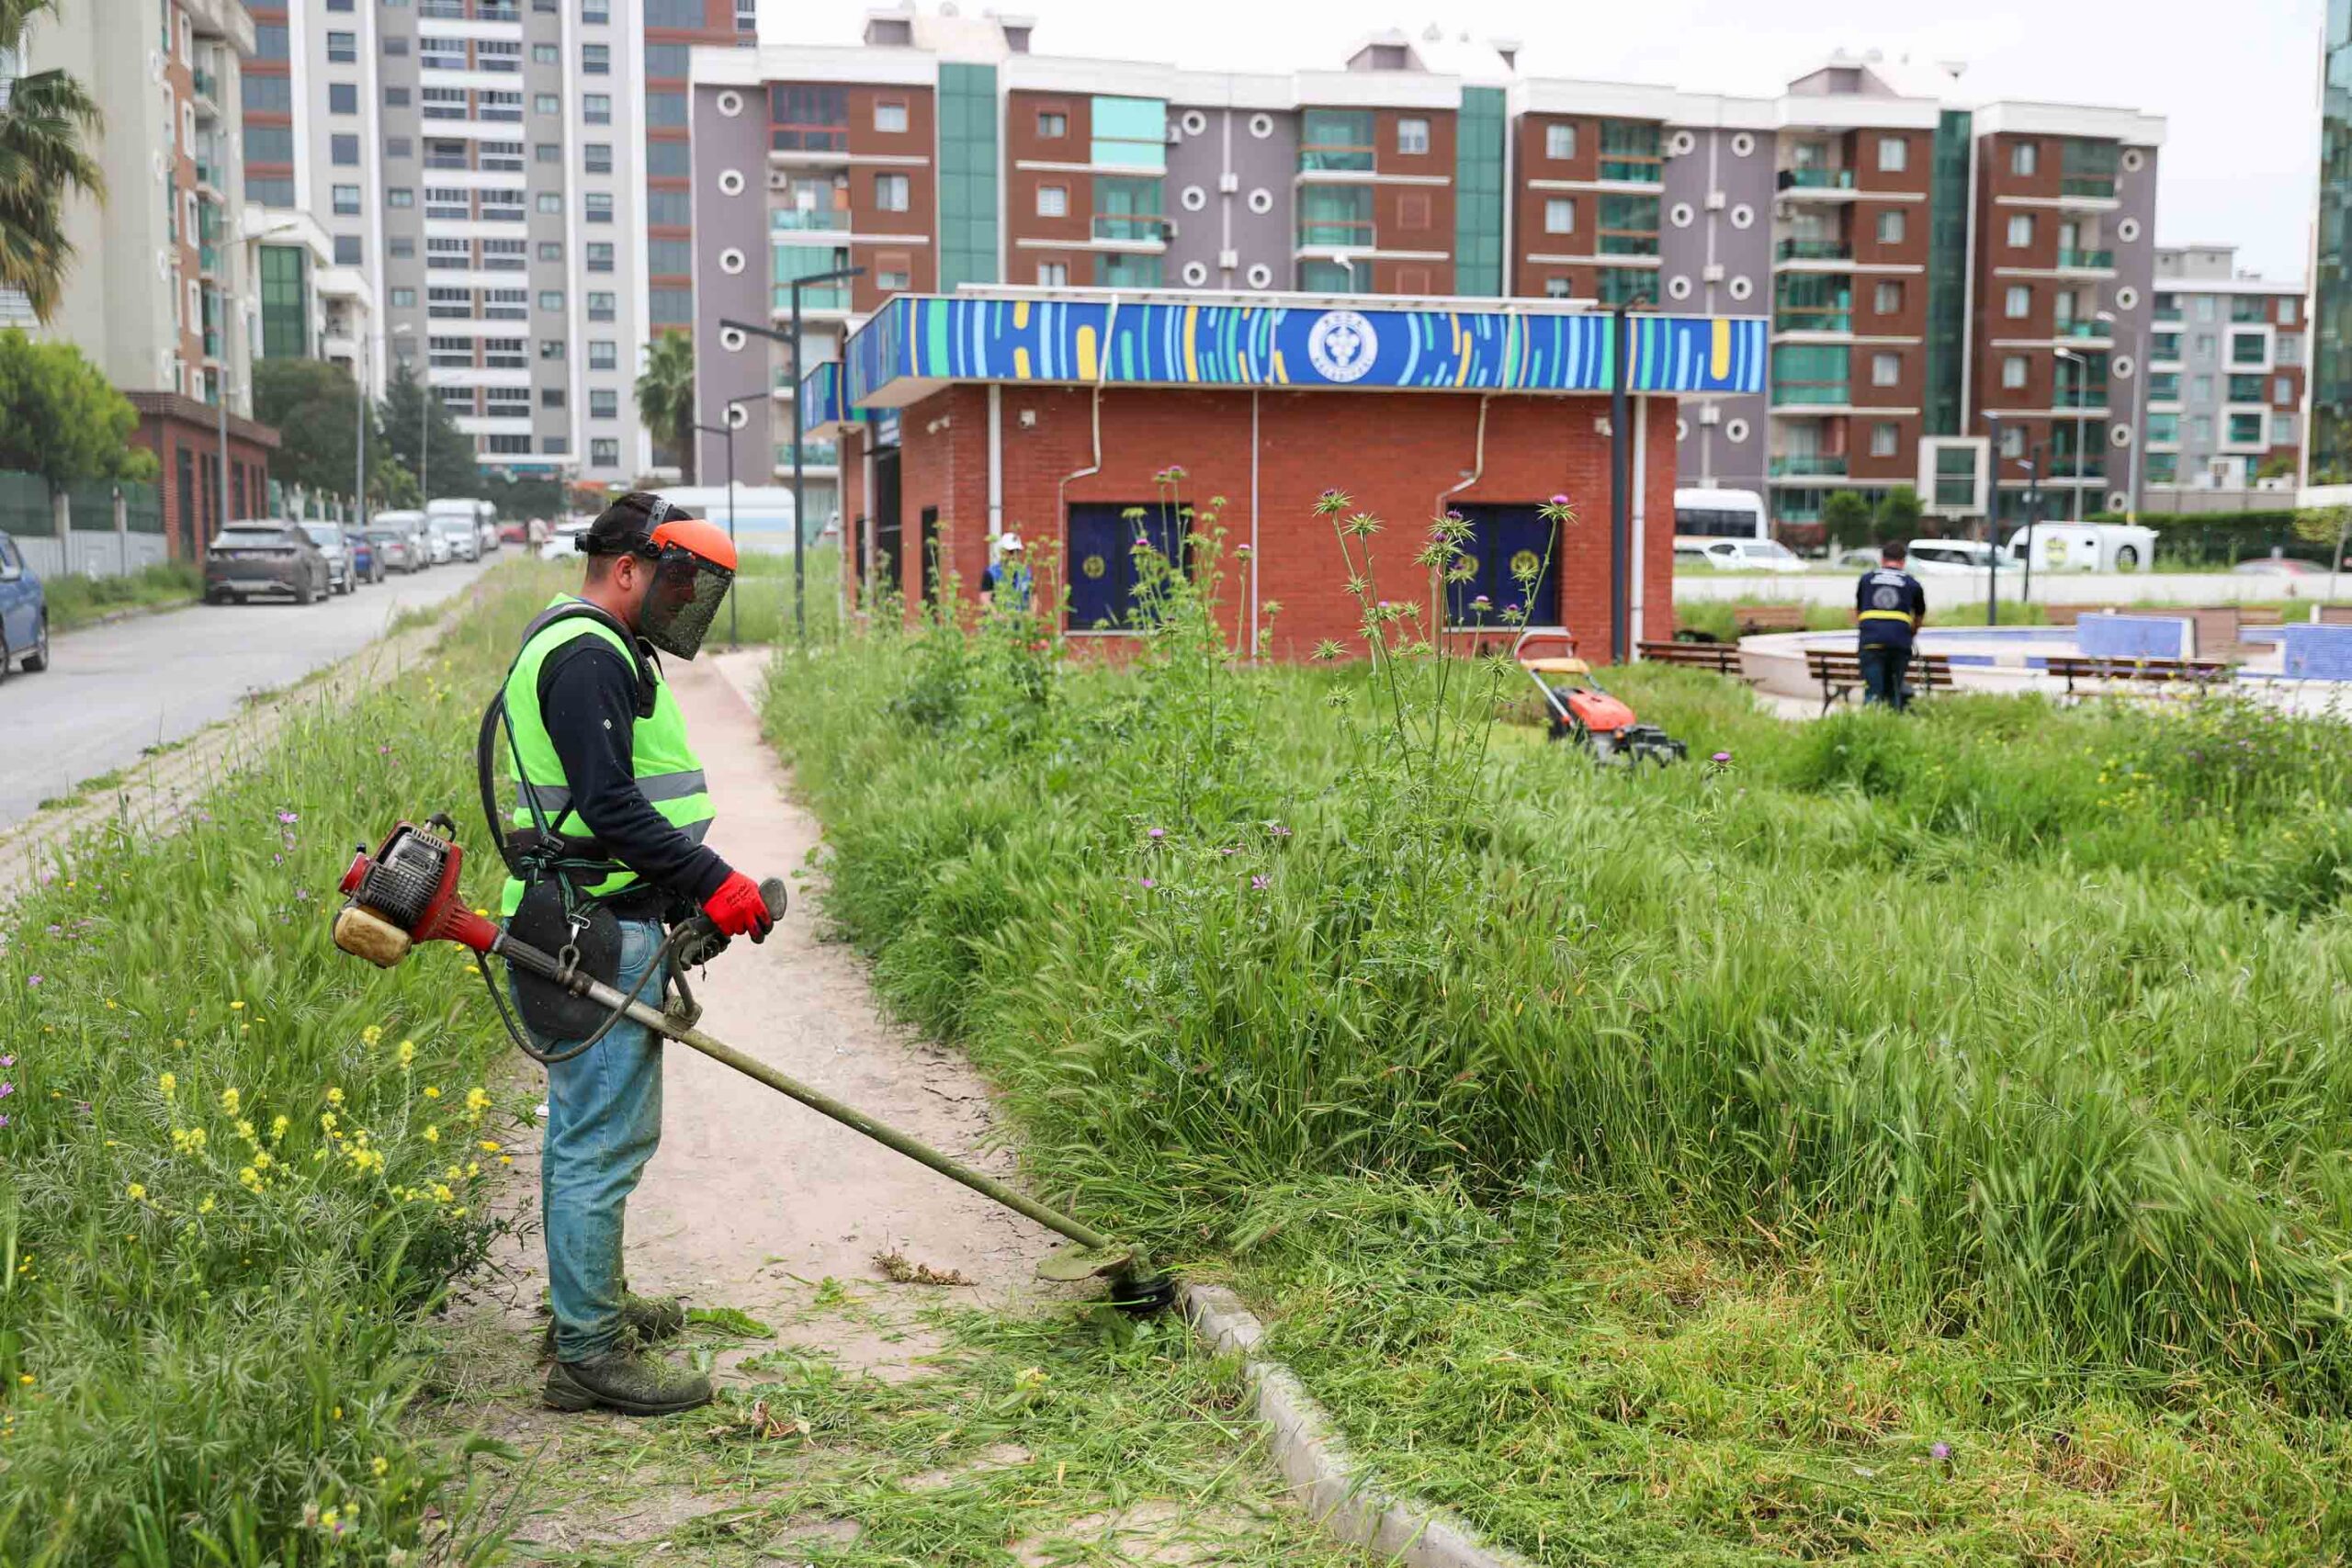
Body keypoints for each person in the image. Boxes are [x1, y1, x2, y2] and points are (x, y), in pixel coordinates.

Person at [489, 491, 775, 1416]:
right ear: (626, 568)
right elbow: (610, 806)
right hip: (590, 930)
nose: (685, 601)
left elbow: (611, 804)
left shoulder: (590, 644)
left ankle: (591, 1304)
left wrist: (684, 893)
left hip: (590, 918)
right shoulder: (586, 655)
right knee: (602, 1140)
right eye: (677, 581)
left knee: (586, 1132)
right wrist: (714, 880)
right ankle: (589, 1353)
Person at [1854, 537, 1927, 709]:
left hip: (1871, 642)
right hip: (1899, 643)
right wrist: (1912, 632)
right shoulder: (1911, 583)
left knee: (1873, 691)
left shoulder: (1866, 579)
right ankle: (1893, 719)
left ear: (1882, 559)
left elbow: (1859, 611)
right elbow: (1919, 615)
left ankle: (1870, 719)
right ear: (1903, 561)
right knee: (1894, 690)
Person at [978, 531, 1032, 612]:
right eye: (1011, 552)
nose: (1014, 556)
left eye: (1017, 552)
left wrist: (1031, 615)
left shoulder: (1026, 572)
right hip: (999, 618)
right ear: (1002, 552)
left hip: (1021, 618)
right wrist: (997, 615)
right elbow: (985, 598)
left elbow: (1033, 596)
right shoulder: (991, 573)